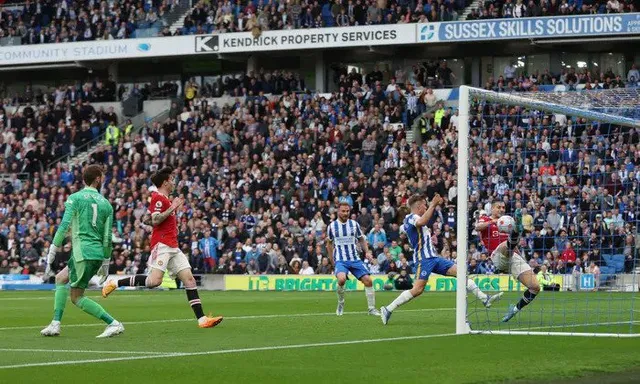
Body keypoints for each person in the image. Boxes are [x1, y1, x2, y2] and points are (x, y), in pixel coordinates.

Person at [101, 167, 223, 329]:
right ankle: (115, 282)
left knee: (189, 279)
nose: (173, 182)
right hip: (162, 245)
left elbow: (151, 219)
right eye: (171, 180)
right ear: (165, 182)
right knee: (154, 281)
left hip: (173, 245)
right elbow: (155, 219)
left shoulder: (163, 199)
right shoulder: (159, 198)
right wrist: (173, 208)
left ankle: (202, 319)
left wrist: (174, 226)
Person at [380, 194, 501, 325]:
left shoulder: (415, 218)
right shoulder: (411, 217)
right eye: (424, 205)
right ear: (419, 206)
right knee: (418, 290)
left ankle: (484, 298)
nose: (426, 207)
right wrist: (433, 204)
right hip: (424, 259)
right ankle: (388, 309)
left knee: (461, 273)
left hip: (434, 258)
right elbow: (421, 222)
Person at [41, 165, 124, 338]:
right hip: (96, 253)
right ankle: (55, 323)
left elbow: (64, 226)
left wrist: (52, 251)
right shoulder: (107, 205)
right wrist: (106, 263)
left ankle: (113, 323)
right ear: (98, 179)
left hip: (82, 253)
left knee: (76, 297)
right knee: (61, 278)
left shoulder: (75, 198)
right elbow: (107, 237)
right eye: (103, 177)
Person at [475, 201, 540, 322]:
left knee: (535, 287)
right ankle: (517, 230)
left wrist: (522, 258)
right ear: (492, 209)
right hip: (497, 255)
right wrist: (492, 222)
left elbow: (513, 247)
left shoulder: (506, 222)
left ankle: (514, 310)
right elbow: (477, 227)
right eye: (498, 207)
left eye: (503, 207)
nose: (501, 209)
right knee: (507, 244)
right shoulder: (485, 218)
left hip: (512, 254)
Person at [325, 202, 380, 316]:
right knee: (341, 279)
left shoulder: (354, 224)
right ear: (338, 211)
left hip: (354, 258)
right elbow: (329, 244)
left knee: (368, 281)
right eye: (343, 211)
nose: (345, 213)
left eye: (347, 211)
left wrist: (367, 252)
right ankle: (341, 302)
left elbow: (361, 239)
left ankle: (371, 309)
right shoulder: (332, 226)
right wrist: (332, 260)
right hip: (340, 259)